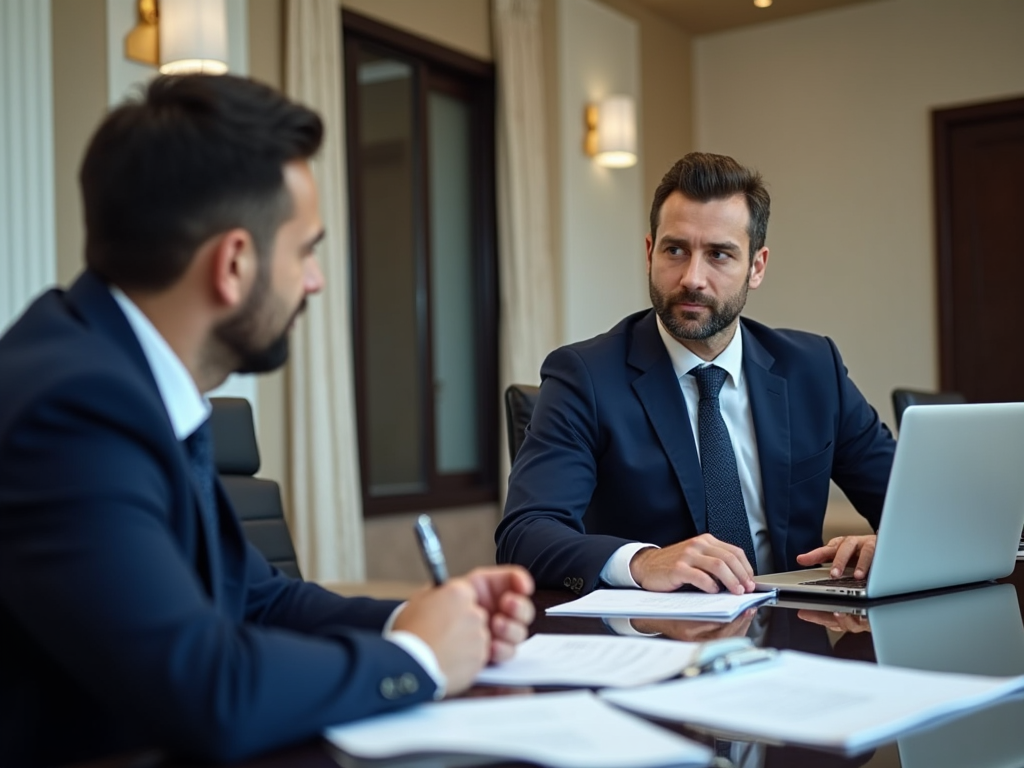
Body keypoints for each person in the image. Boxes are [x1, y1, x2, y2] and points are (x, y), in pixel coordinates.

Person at [0, 74, 534, 768]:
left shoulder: (123, 375)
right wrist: (419, 657)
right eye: (306, 251)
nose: (314, 281)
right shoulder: (70, 408)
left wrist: (425, 617)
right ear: (234, 263)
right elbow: (206, 689)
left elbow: (256, 597)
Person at [496, 152, 895, 597]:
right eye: (675, 250)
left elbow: (914, 506)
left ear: (757, 267)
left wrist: (890, 546)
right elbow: (525, 536)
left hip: (792, 636)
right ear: (650, 253)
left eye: (720, 255)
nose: (692, 278)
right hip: (651, 644)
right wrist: (641, 560)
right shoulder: (584, 377)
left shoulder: (814, 369)